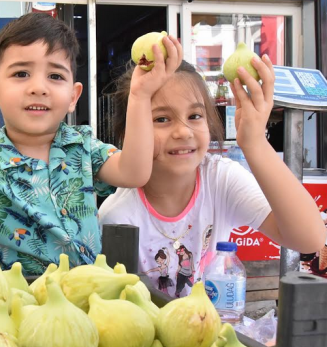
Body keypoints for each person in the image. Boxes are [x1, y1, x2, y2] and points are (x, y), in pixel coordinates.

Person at [0, 13, 183, 274]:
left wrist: (141, 96)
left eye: (55, 76)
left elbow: (134, 172)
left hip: (84, 297)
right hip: (12, 306)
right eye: (21, 74)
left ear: (73, 97)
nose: (38, 87)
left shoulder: (83, 146)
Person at [99, 57, 326, 297]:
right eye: (162, 119)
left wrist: (255, 143)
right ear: (130, 133)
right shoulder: (117, 218)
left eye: (195, 116)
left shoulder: (220, 178)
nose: (183, 132)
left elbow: (309, 238)